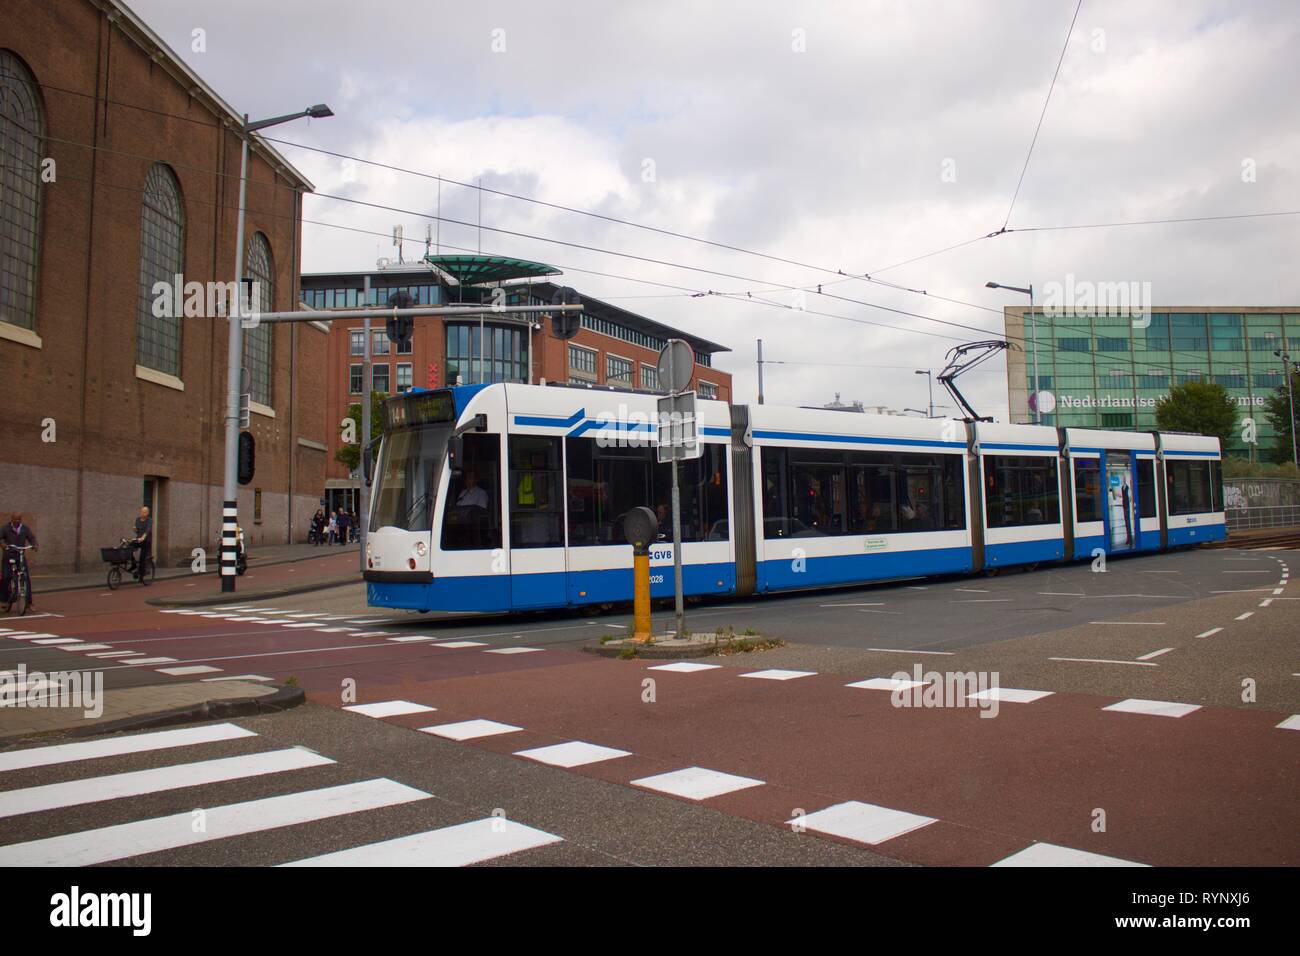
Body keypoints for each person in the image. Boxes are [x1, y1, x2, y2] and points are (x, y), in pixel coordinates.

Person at [1, 512, 38, 610]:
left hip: (20, 556)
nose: (17, 521)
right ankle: (4, 600)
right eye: (15, 519)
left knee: (25, 577)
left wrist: (35, 545)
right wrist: (3, 544)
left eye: (19, 519)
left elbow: (32, 538)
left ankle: (29, 602)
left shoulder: (25, 529)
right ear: (11, 519)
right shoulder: (5, 528)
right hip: (8, 556)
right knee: (6, 577)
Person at [130, 506, 152, 583]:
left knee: (142, 558)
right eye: (142, 512)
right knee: (129, 547)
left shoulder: (149, 520)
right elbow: (138, 531)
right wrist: (135, 530)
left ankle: (141, 576)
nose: (144, 513)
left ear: (148, 513)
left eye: (145, 512)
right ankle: (133, 565)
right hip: (138, 540)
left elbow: (148, 530)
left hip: (145, 541)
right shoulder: (137, 520)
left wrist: (143, 537)